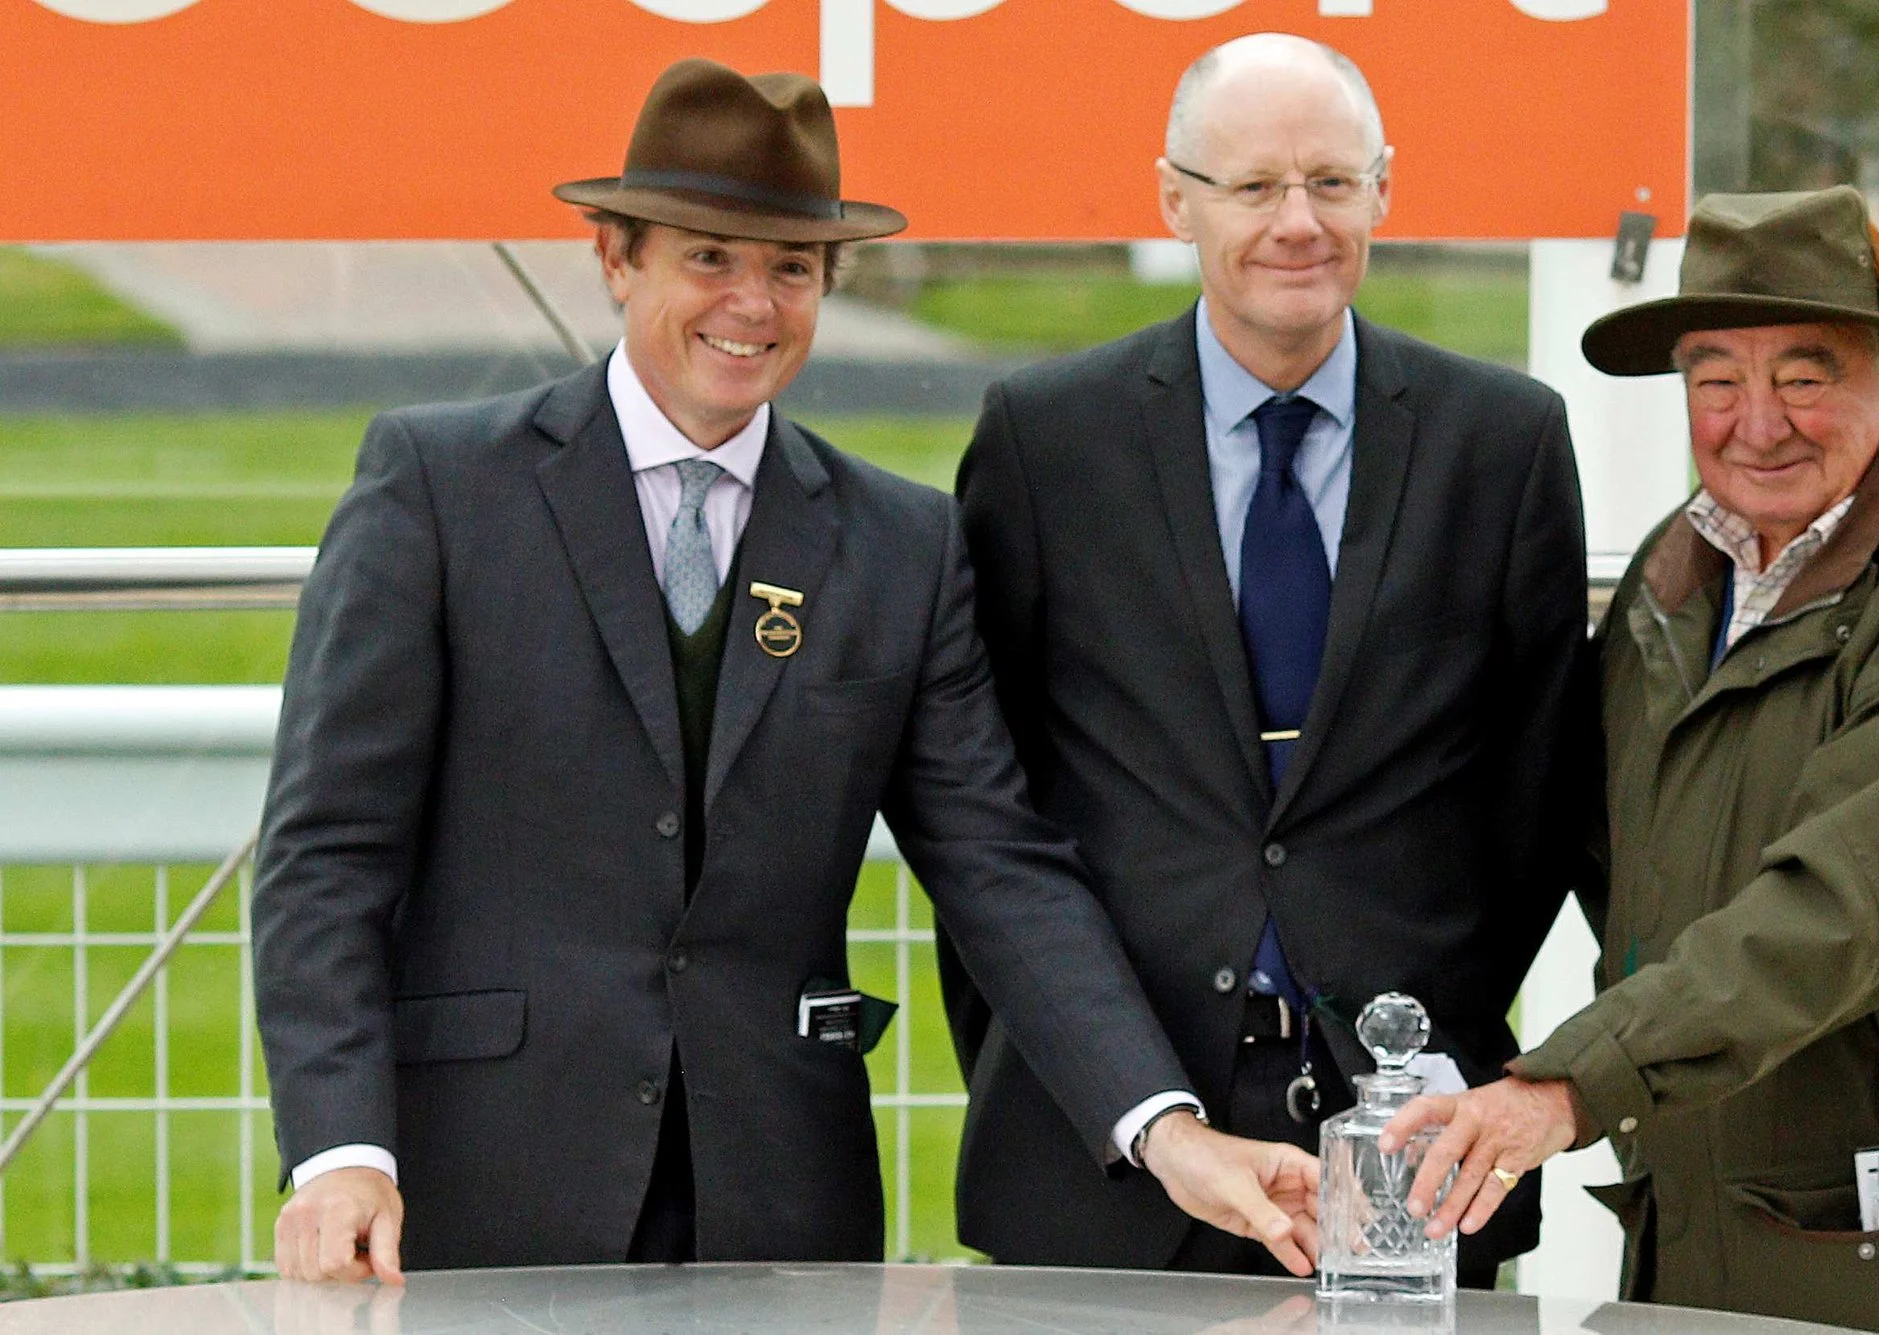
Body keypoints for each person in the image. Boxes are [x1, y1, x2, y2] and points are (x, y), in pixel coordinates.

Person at [252, 57, 1318, 1282]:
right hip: (480, 1186)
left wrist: (1165, 1131)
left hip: (781, 1207)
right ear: (617, 257)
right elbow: (327, 853)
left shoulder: (898, 545)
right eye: (709, 256)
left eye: (791, 268)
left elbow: (998, 869)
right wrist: (338, 1148)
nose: (751, 304)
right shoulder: (438, 489)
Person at [1378, 186, 1879, 1335]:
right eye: (1715, 380)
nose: (1755, 423)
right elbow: (1583, 849)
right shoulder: (1679, 578)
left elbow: (1838, 912)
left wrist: (1569, 1087)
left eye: (1803, 376)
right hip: (1705, 1245)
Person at [942, 32, 1591, 1286]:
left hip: (1408, 1152)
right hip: (1107, 1156)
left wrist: (1409, 1000)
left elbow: (1535, 795)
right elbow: (989, 805)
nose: (1296, 221)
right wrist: (1090, 1064)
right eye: (1251, 187)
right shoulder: (1044, 442)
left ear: (1383, 190)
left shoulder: (1500, 443)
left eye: (1330, 183)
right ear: (1174, 199)